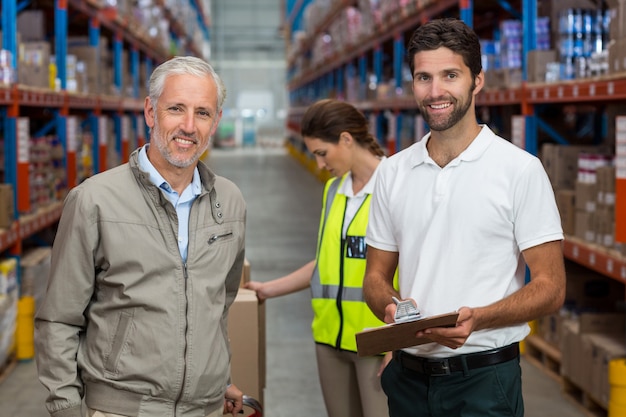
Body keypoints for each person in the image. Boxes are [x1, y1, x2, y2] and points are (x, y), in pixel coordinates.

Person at [362, 18, 566, 417]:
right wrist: (391, 309)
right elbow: (375, 276)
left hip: (484, 382)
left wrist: (480, 318)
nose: (435, 91)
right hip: (407, 379)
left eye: (450, 75)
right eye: (424, 77)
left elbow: (551, 286)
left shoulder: (519, 170)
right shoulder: (393, 172)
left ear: (477, 81)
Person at [34, 56, 247, 417]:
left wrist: (215, 377)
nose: (189, 126)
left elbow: (216, 304)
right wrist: (66, 407)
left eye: (203, 113)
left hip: (207, 408)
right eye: (176, 109)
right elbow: (59, 318)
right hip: (122, 408)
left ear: (217, 122)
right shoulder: (94, 200)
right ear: (150, 112)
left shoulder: (229, 201)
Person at [245, 98, 392, 417]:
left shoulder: (396, 188)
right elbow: (326, 262)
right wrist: (269, 289)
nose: (320, 165)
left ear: (346, 139)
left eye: (322, 154)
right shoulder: (333, 190)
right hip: (329, 339)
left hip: (376, 342)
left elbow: (417, 269)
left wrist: (400, 341)